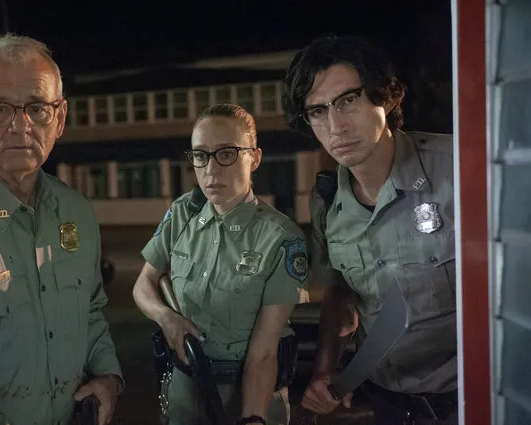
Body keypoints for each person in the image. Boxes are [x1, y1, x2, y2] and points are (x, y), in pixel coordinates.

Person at [0, 34, 123, 425]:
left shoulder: (76, 212)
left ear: (59, 118)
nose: (20, 125)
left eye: (38, 107)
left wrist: (108, 377)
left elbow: (92, 311)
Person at [282, 35, 457, 425]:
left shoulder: (460, 169)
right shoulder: (328, 202)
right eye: (318, 111)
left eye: (349, 100)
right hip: (390, 405)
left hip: (473, 400)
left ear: (389, 96)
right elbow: (340, 293)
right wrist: (326, 371)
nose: (336, 125)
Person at [132, 104, 309, 425]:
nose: (211, 169)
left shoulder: (280, 238)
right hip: (184, 391)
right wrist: (166, 318)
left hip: (248, 395)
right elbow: (144, 284)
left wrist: (252, 418)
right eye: (200, 155)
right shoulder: (183, 214)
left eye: (226, 153)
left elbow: (265, 351)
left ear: (254, 158)